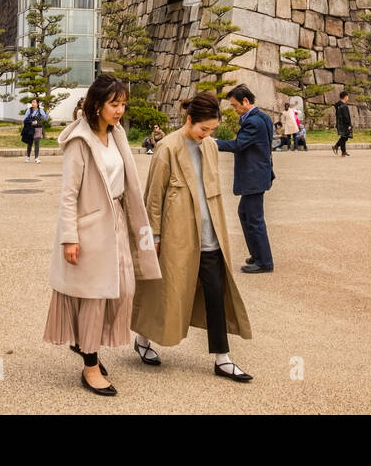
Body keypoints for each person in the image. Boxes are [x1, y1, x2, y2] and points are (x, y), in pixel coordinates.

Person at [44, 75, 160, 397]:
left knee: (124, 289)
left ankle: (85, 344)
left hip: (118, 224)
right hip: (90, 229)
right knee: (95, 297)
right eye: (114, 104)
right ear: (97, 105)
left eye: (123, 103)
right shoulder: (80, 142)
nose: (121, 110)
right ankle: (91, 365)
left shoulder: (117, 133)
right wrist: (69, 237)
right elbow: (68, 194)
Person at [131, 91, 254, 382]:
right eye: (204, 129)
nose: (208, 135)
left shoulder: (210, 146)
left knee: (216, 293)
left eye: (212, 130)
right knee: (166, 291)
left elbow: (211, 190)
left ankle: (222, 358)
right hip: (177, 235)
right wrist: (155, 236)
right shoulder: (167, 147)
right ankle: (143, 338)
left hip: (209, 234)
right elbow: (154, 197)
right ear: (189, 120)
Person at [215, 84, 276, 274]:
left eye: (235, 106)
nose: (234, 110)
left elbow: (238, 145)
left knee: (254, 218)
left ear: (246, 102)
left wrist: (210, 142)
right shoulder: (262, 117)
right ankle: (257, 254)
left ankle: (264, 261)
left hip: (254, 176)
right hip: (259, 173)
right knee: (246, 213)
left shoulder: (253, 122)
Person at [332, 91, 353, 157]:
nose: (348, 98)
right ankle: (341, 150)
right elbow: (346, 116)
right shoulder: (344, 106)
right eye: (347, 96)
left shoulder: (338, 105)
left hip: (340, 123)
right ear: (345, 97)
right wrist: (349, 125)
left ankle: (337, 147)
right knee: (344, 137)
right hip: (344, 124)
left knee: (344, 137)